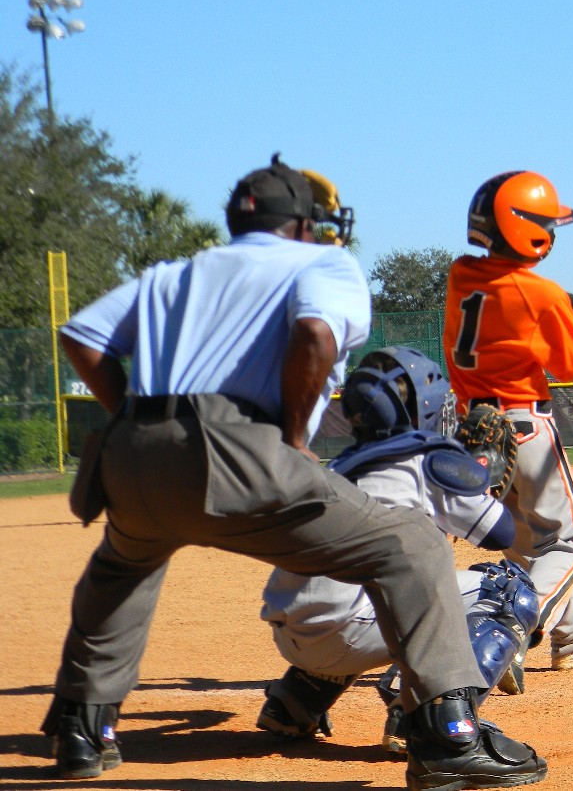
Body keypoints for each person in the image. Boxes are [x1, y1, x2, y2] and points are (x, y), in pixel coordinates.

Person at [44, 155, 546, 790]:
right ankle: (445, 734)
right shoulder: (323, 262)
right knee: (410, 545)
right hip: (239, 444)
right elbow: (313, 335)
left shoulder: (177, 273)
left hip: (130, 452)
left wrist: (142, 423)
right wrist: (287, 436)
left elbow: (82, 336)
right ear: (303, 225)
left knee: (122, 566)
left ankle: (82, 731)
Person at [256, 347, 539, 756]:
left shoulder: (337, 468)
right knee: (510, 590)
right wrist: (483, 480)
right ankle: (424, 716)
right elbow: (501, 533)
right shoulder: (426, 460)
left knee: (367, 587)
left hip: (295, 633)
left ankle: (295, 703)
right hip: (351, 630)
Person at [442, 170, 573, 696]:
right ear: (531, 231)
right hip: (525, 430)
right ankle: (507, 633)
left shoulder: (462, 272)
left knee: (528, 542)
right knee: (572, 543)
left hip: (473, 429)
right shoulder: (542, 296)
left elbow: (532, 289)